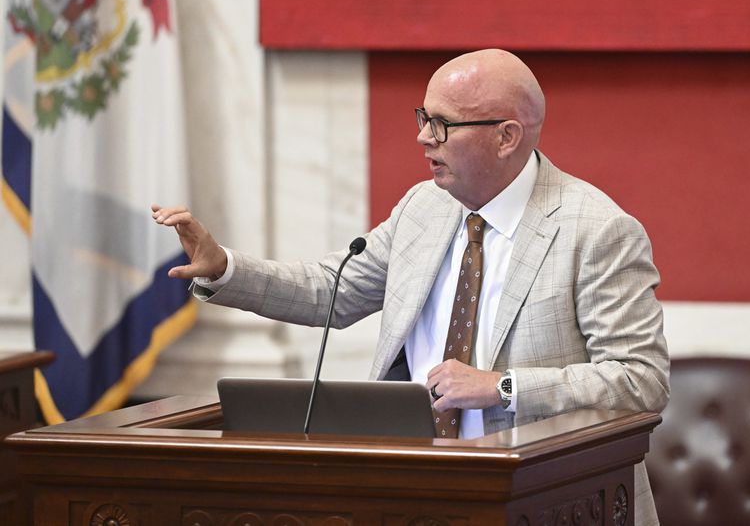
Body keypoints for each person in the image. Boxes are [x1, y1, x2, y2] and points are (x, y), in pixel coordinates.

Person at [152, 49, 669, 525]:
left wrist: (502, 386)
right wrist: (223, 267)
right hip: (416, 494)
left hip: (544, 500)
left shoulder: (596, 229)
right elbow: (328, 290)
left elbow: (640, 383)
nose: (423, 138)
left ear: (506, 136)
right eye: (423, 118)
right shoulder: (424, 208)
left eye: (442, 125)